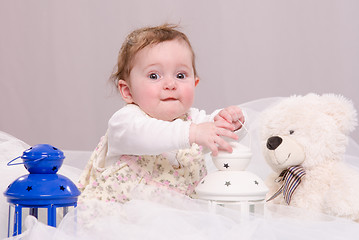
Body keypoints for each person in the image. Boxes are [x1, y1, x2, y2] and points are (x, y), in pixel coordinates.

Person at [78, 24, 245, 203]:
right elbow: (148, 134)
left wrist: (230, 123)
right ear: (127, 91)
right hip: (121, 219)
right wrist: (194, 133)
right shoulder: (125, 122)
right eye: (154, 76)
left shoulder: (193, 119)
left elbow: (218, 137)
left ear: (194, 83)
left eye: (180, 75)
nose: (170, 84)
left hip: (179, 220)